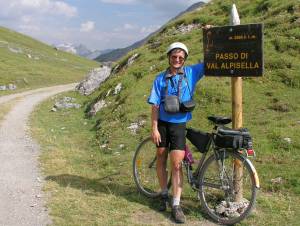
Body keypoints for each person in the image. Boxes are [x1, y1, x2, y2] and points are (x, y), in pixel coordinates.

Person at [148, 41, 205, 223]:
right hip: (163, 124)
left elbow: (209, 60)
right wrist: (154, 128)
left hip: (179, 125)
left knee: (177, 164)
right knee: (161, 156)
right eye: (174, 57)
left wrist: (209, 36)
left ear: (185, 59)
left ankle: (176, 205)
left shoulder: (191, 72)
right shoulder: (159, 79)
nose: (177, 60)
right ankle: (164, 194)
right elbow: (155, 105)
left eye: (181, 57)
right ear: (169, 57)